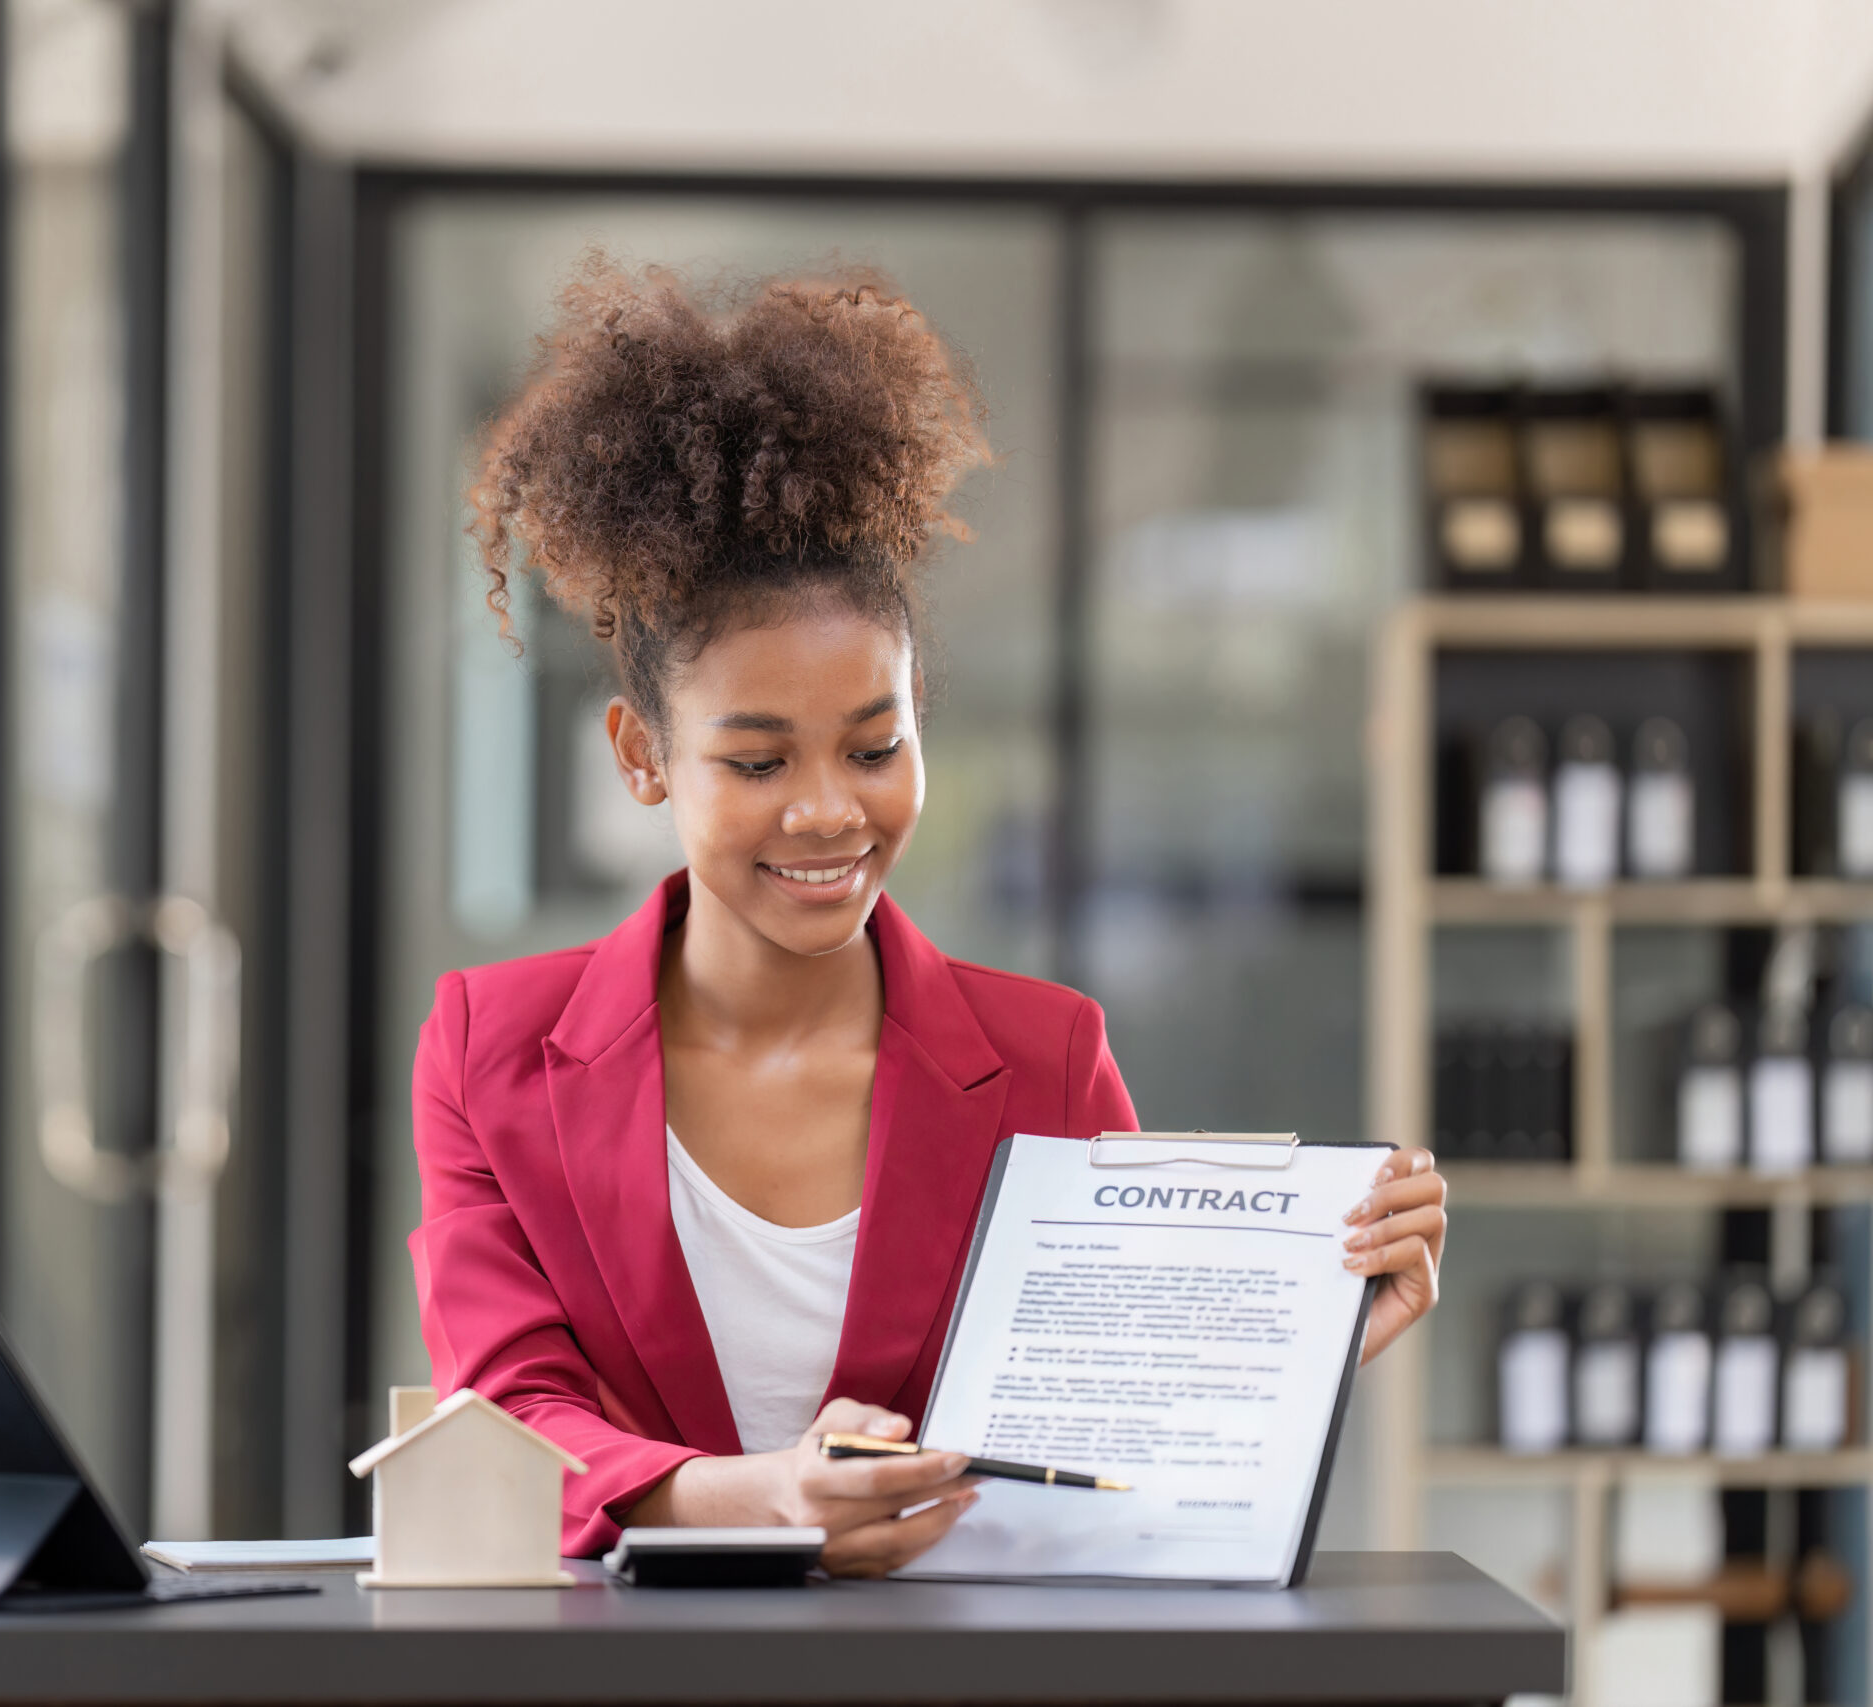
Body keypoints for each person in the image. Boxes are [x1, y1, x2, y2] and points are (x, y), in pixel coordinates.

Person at [406, 260, 1447, 1577]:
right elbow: (507, 1419)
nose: (831, 812)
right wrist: (770, 1499)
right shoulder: (488, 1049)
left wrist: (1293, 1342)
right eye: (759, 761)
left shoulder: (1046, 1057)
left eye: (873, 746)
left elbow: (1106, 1430)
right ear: (642, 755)